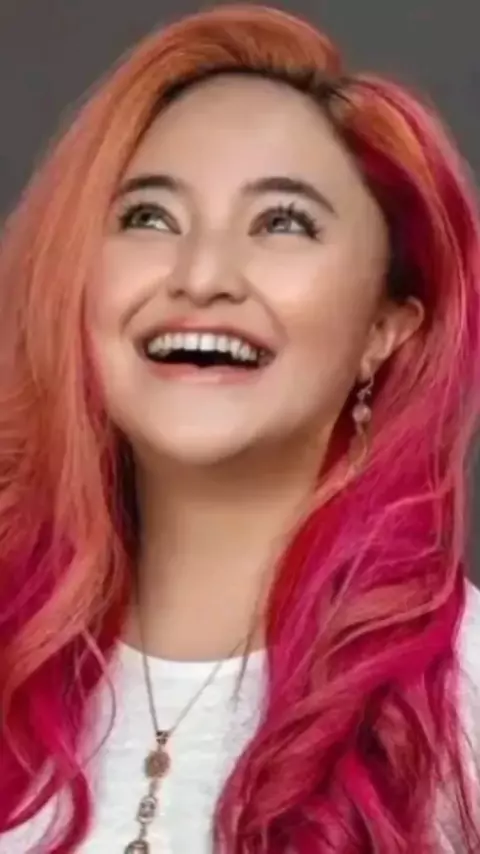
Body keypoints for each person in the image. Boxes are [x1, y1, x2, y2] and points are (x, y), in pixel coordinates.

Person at [0, 3, 479, 852]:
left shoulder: (465, 701)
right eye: (149, 217)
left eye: (282, 223)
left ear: (384, 329)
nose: (202, 275)